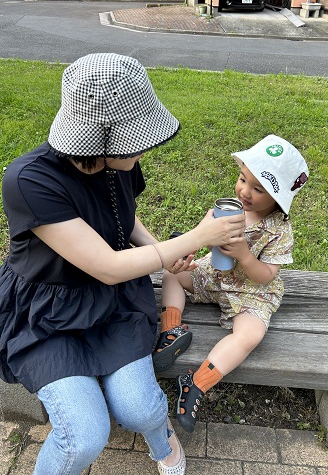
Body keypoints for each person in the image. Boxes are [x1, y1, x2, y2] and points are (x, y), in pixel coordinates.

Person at [0, 53, 245, 475]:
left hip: (111, 303)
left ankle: (160, 435)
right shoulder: (29, 181)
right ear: (100, 140)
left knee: (138, 409)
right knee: (83, 436)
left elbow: (122, 217)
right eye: (137, 138)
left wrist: (165, 255)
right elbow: (107, 265)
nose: (146, 145)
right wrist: (196, 238)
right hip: (46, 315)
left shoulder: (118, 161)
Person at [152, 134, 309, 433]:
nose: (245, 192)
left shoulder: (279, 231)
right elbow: (198, 239)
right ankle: (171, 329)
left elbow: (267, 275)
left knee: (251, 334)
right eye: (242, 179)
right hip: (214, 277)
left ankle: (196, 382)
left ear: (278, 198)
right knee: (171, 274)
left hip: (252, 292)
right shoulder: (227, 211)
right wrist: (187, 255)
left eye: (258, 189)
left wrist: (245, 256)